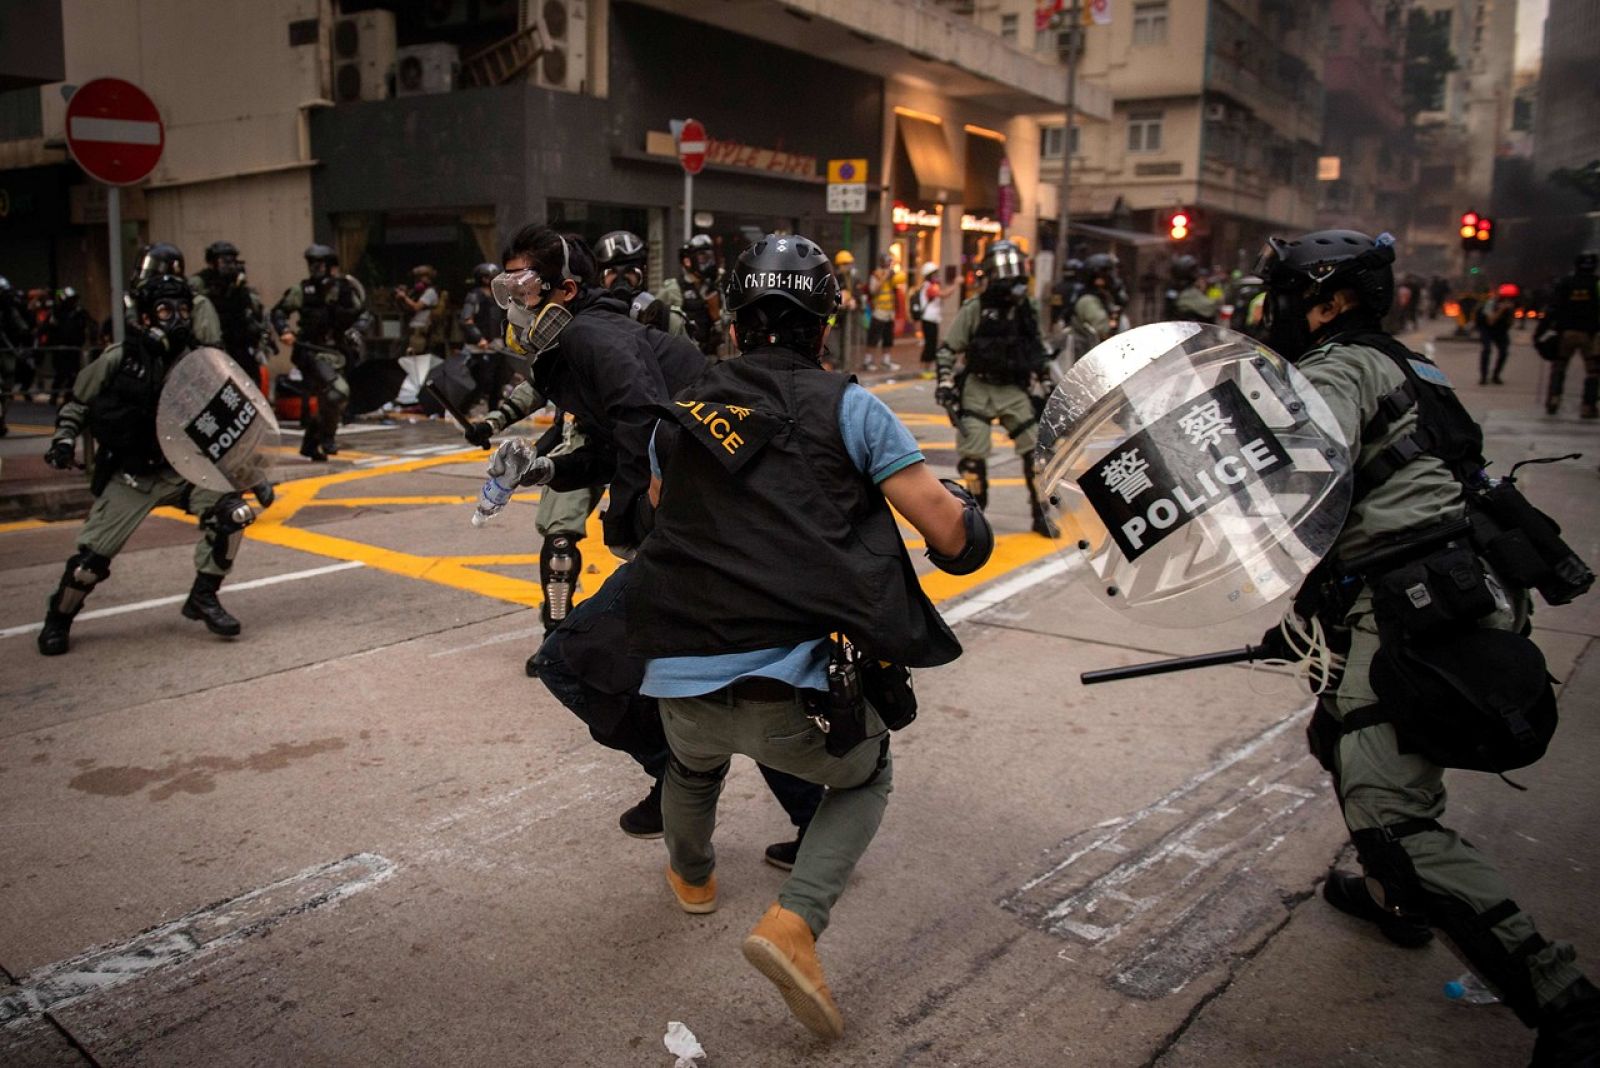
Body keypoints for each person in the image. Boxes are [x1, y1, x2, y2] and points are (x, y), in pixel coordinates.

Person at [627, 232, 993, 1040]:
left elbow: (658, 516)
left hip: (679, 680)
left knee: (692, 765)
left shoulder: (677, 415)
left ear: (733, 321)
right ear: (825, 324)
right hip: (795, 700)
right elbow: (949, 534)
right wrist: (970, 514)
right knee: (867, 780)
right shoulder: (851, 409)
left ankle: (692, 878)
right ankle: (795, 923)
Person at [1256, 229, 1600, 1066]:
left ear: (1329, 301)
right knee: (1339, 733)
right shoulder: (1412, 364)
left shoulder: (1336, 370)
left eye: (1288, 298)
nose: (1275, 313)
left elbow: (1290, 479)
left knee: (1392, 815)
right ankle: (1397, 903)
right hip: (1465, 583)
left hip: (1417, 607)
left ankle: (1566, 1007)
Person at [471, 226, 823, 856]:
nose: (513, 303)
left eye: (521, 287)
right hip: (707, 514)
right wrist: (544, 468)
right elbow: (615, 444)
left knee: (572, 658)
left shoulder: (592, 336)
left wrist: (634, 528)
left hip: (708, 516)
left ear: (565, 290)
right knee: (729, 669)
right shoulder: (575, 345)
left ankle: (681, 774)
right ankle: (716, 786)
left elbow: (645, 422)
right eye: (506, 288)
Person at [36, 272, 271, 656]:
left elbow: (226, 422)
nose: (176, 318)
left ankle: (203, 596)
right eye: (165, 310)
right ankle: (58, 618)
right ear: (145, 317)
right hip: (131, 476)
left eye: (183, 310)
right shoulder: (121, 358)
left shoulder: (200, 363)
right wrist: (63, 441)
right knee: (88, 565)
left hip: (183, 470)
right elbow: (78, 403)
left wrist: (252, 471)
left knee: (235, 513)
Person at [935, 240, 1061, 539]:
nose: (1013, 281)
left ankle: (1040, 513)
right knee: (973, 457)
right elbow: (948, 349)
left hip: (1013, 388)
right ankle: (975, 516)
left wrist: (1046, 380)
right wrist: (945, 382)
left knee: (1036, 453)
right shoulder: (975, 309)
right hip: (978, 387)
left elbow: (1036, 348)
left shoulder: (1026, 309)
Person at [272, 244, 372, 461]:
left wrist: (357, 330)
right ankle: (327, 438)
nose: (315, 269)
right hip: (312, 352)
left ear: (330, 266)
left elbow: (363, 314)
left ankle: (311, 443)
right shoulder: (303, 290)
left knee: (331, 399)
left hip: (339, 353)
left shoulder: (345, 289)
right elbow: (279, 312)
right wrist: (285, 331)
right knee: (338, 391)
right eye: (312, 264)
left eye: (320, 264)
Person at [191, 241, 268, 381]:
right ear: (213, 261)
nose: (230, 265)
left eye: (232, 260)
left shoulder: (239, 284)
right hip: (214, 345)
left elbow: (255, 313)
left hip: (239, 343)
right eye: (225, 261)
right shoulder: (201, 282)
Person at [595, 229, 684, 336]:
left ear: (643, 275)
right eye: (611, 272)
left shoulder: (667, 321)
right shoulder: (588, 324)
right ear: (600, 279)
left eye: (630, 270)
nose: (620, 280)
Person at [1543, 251, 1599, 417]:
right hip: (1590, 334)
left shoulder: (1565, 283)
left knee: (1559, 367)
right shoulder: (1597, 283)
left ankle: (1554, 399)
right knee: (1593, 371)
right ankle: (1588, 406)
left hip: (1566, 333)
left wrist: (1542, 331)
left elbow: (1553, 307)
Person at [657, 234, 722, 357]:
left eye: (710, 257)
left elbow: (725, 330)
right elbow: (654, 319)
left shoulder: (713, 288)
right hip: (680, 356)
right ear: (687, 261)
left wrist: (717, 317)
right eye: (703, 258)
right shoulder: (673, 289)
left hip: (708, 356)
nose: (708, 263)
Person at [458, 261, 511, 410]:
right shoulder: (474, 296)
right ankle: (462, 410)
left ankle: (494, 413)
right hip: (480, 348)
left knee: (498, 381)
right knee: (481, 382)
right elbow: (466, 320)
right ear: (485, 279)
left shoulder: (497, 297)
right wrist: (479, 339)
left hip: (496, 345)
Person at [38, 287, 92, 406]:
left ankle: (68, 397)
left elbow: (87, 326)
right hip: (59, 349)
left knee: (74, 374)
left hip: (73, 348)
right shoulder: (56, 313)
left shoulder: (79, 313)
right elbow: (45, 328)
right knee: (61, 374)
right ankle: (54, 396)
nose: (73, 302)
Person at [1067, 253, 1122, 361]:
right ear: (1098, 278)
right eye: (1108, 273)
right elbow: (1104, 331)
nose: (1112, 277)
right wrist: (1115, 317)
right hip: (1089, 360)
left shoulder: (1101, 297)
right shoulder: (1088, 301)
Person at [0, 276, 34, 435]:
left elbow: (22, 326)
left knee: (7, 388)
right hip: (7, 350)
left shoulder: (10, 309)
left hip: (7, 353)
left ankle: (1, 420)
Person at [864, 252, 904, 372]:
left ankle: (886, 361)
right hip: (879, 311)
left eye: (890, 262)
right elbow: (873, 291)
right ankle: (868, 361)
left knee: (888, 338)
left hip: (889, 312)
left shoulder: (892, 275)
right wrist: (885, 278)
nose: (889, 264)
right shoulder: (876, 275)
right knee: (873, 338)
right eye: (887, 262)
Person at [396, 265, 440, 356]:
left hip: (420, 330)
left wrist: (404, 297)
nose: (417, 280)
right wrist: (401, 298)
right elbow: (407, 308)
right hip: (412, 329)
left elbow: (417, 307)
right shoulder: (419, 293)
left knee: (416, 358)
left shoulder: (430, 292)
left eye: (420, 277)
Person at [1476, 286, 1514, 385]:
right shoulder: (1489, 304)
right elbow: (1490, 321)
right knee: (1487, 350)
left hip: (1501, 331)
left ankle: (1496, 375)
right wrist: (1501, 309)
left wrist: (1509, 312)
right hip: (1487, 330)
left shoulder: (1509, 305)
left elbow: (1510, 323)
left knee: (1504, 352)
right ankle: (1483, 377)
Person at [831, 250, 861, 371]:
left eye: (849, 264)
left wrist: (854, 301)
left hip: (846, 315)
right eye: (845, 264)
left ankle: (844, 365)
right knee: (833, 341)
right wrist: (837, 302)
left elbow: (856, 293)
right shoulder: (834, 278)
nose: (848, 266)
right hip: (833, 316)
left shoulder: (852, 278)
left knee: (846, 341)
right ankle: (835, 364)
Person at [1166, 254, 1218, 323]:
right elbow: (1212, 307)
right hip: (1190, 327)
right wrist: (1214, 289)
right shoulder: (1188, 293)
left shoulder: (1174, 289)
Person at [913, 262, 942, 379]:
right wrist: (955, 284)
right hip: (928, 319)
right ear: (929, 275)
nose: (936, 276)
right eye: (934, 274)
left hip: (933, 319)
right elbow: (943, 294)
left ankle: (927, 369)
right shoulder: (928, 286)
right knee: (929, 345)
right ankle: (924, 370)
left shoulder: (931, 285)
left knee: (932, 345)